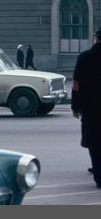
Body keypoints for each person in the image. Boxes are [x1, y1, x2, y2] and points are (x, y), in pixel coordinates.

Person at [71, 26, 101, 189]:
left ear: (96, 37)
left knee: (95, 142)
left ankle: (99, 174)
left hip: (91, 108)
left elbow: (76, 85)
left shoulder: (85, 57)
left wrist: (75, 106)